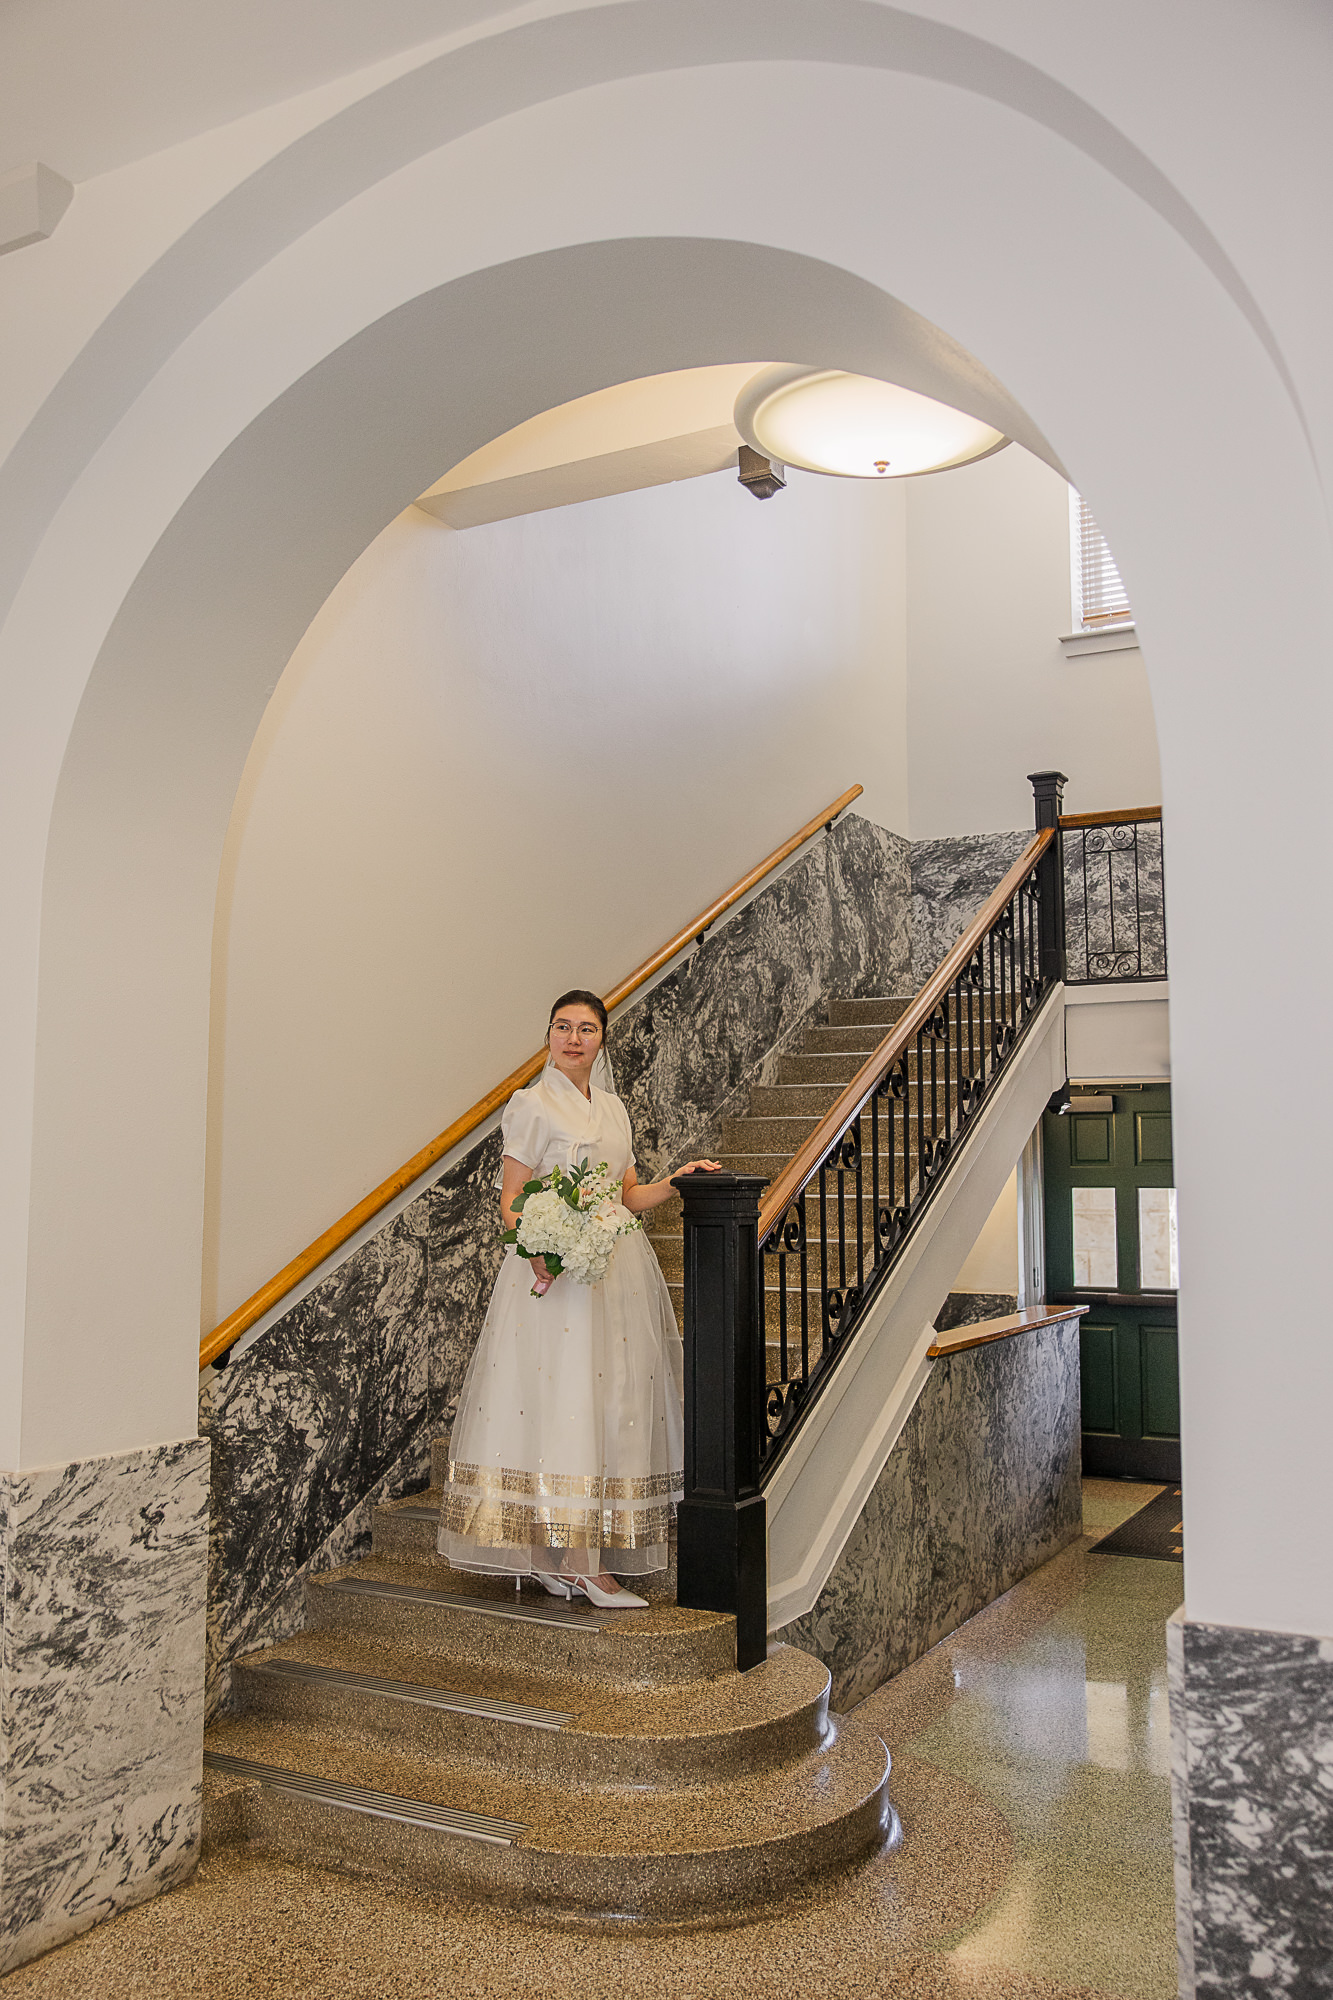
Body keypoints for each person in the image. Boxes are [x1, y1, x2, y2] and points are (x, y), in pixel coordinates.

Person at [438, 990, 719, 1608]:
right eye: (562, 1027)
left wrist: (678, 1180)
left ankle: (569, 1553)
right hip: (551, 1278)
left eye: (586, 1028)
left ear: (602, 1040)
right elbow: (510, 1203)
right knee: (558, 1397)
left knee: (606, 1397)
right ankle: (571, 1561)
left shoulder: (615, 1109)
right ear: (548, 1036)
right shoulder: (530, 1105)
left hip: (610, 1271)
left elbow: (628, 1195)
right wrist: (543, 1240)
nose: (573, 1037)